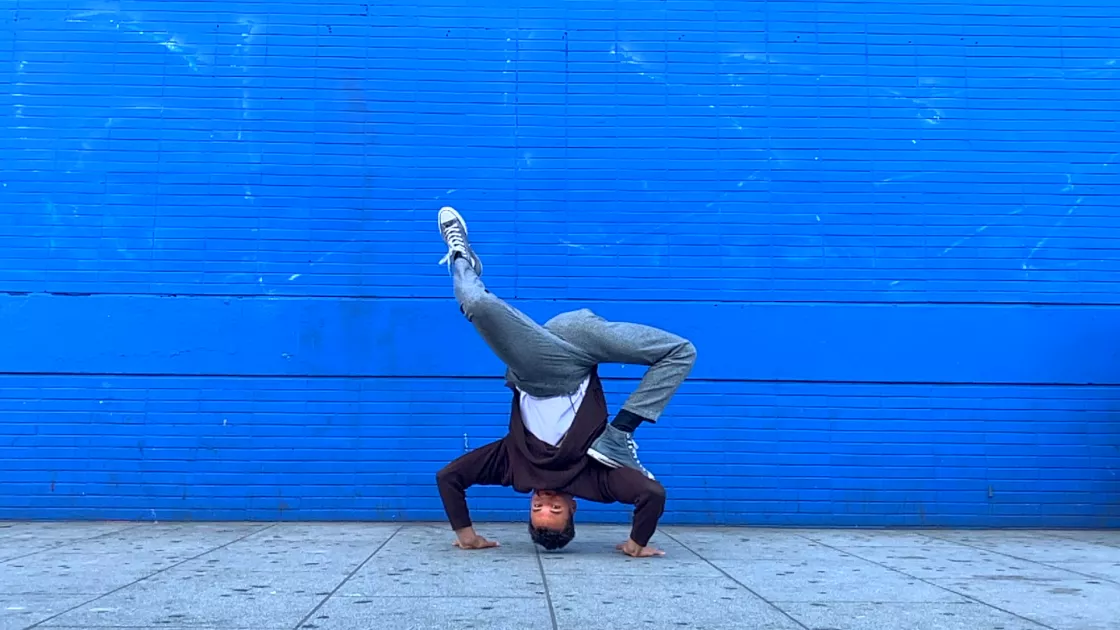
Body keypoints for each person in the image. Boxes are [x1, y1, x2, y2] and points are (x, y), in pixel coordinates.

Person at [433, 206, 696, 557]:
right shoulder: (596, 481)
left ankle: (462, 257)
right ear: (574, 507)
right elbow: (652, 494)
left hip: (542, 364)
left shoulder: (513, 467)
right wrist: (637, 542)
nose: (545, 502)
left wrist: (466, 534)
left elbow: (449, 477)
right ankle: (621, 433)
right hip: (583, 342)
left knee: (478, 305)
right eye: (555, 510)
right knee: (680, 351)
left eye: (537, 510)